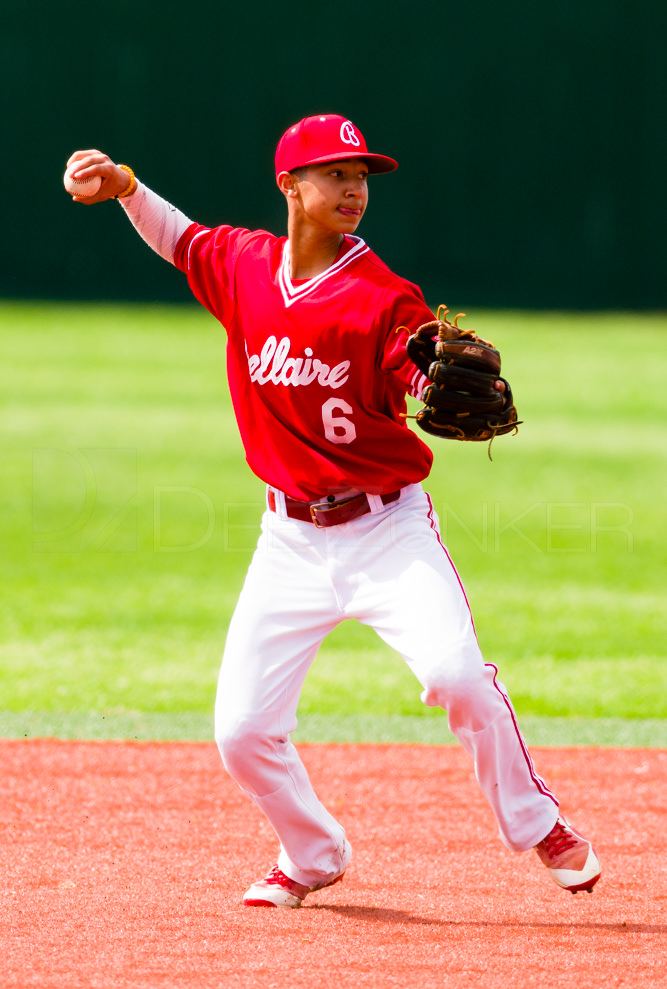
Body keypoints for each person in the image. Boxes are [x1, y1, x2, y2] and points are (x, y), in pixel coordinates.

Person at [66, 114, 601, 908]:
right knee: (241, 733)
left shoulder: (384, 294)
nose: (353, 189)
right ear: (289, 185)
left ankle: (537, 823)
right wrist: (124, 188)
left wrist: (429, 386)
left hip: (386, 531)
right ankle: (312, 853)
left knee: (457, 677)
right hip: (287, 540)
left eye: (361, 177)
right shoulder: (244, 264)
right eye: (334, 173)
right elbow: (181, 238)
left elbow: (417, 369)